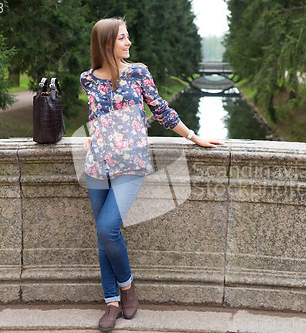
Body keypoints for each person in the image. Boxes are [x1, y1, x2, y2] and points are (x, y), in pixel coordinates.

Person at [80, 17, 223, 331]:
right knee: (103, 236)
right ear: (106, 43)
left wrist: (193, 136)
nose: (129, 42)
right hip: (97, 165)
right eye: (122, 38)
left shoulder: (138, 73)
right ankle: (111, 303)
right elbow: (94, 115)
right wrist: (95, 133)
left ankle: (128, 286)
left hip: (130, 165)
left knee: (108, 227)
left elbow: (160, 110)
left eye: (127, 37)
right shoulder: (88, 79)